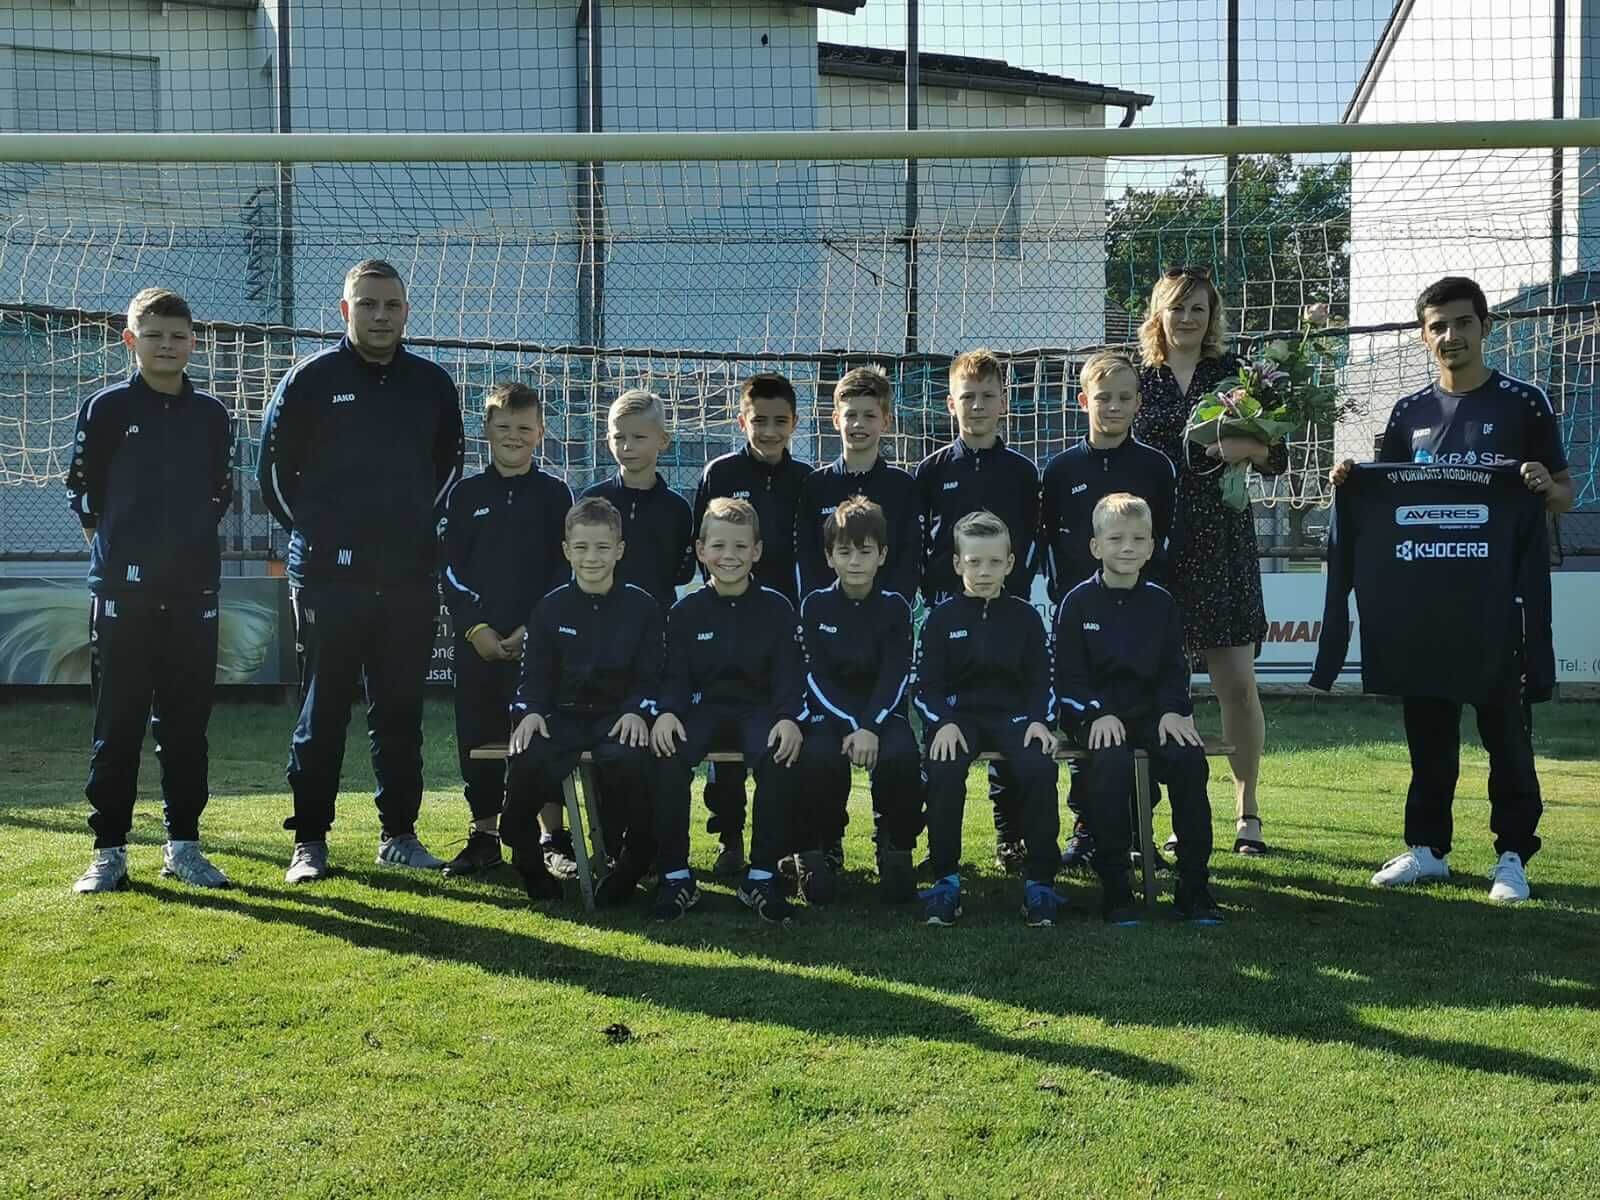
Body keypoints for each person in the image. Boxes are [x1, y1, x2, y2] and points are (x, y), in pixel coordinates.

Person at [1328, 275, 1572, 904]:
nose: (1450, 336)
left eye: (1462, 323)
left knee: (1506, 736)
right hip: (1425, 606)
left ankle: (1513, 856)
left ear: (1485, 328)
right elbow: (1385, 494)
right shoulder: (1408, 412)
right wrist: (1350, 478)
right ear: (1423, 336)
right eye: (1438, 326)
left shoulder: (1525, 403)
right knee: (1428, 735)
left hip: (1500, 606)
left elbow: (1564, 495)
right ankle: (1428, 850)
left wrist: (1545, 484)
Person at [258, 258, 465, 883]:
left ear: (406, 311)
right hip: (328, 578)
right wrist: (325, 539)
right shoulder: (309, 379)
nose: (380, 316)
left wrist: (401, 537)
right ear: (345, 311)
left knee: (400, 713)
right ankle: (310, 842)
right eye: (367, 304)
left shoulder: (431, 383)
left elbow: (447, 469)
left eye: (391, 305)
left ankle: (399, 833)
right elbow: (273, 474)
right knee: (323, 713)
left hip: (406, 578)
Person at [64, 287, 234, 893]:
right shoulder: (106, 408)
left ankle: (183, 847)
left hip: (193, 593)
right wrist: (122, 554)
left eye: (178, 336)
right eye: (155, 335)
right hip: (122, 596)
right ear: (131, 340)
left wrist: (178, 554)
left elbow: (220, 491)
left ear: (194, 342)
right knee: (118, 725)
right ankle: (108, 851)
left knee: (187, 727)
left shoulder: (211, 414)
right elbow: (84, 491)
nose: (168, 346)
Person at [1132, 266, 1284, 857]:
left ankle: (1248, 812)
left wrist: (1251, 446)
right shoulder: (1139, 379)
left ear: (1212, 314)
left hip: (1222, 542)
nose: (1188, 318)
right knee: (1169, 693)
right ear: (1159, 315)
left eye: (1198, 307)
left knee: (1238, 687)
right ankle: (1180, 815)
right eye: (1177, 308)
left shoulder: (1236, 375)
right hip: (1153, 548)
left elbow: (1277, 452)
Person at [1039, 351, 1178, 870]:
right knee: (1088, 724)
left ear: (1138, 403)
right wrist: (1063, 597)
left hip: (1139, 616)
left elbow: (1164, 538)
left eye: (1124, 397)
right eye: (1103, 397)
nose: (1114, 406)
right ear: (1084, 402)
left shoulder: (1155, 466)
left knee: (1139, 726)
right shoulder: (1060, 470)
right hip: (1080, 620)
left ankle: (1141, 831)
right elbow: (1048, 539)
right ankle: (1086, 831)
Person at [1054, 494, 1220, 925]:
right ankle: (1116, 888)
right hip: (1098, 718)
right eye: (1116, 538)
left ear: (1150, 547)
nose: (1127, 547)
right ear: (1096, 546)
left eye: (1137, 539)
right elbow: (1068, 679)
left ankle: (1193, 886)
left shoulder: (1161, 603)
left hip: (1151, 715)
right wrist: (1094, 713)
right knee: (1109, 765)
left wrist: (1171, 711)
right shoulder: (1076, 604)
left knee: (1188, 761)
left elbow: (1173, 668)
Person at [649, 498, 806, 924]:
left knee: (779, 755)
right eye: (718, 546)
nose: (729, 556)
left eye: (740, 547)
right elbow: (676, 677)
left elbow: (789, 675)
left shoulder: (776, 608)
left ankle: (760, 876)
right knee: (666, 752)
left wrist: (789, 718)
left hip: (758, 711)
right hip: (703, 711)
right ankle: (676, 876)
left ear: (756, 550)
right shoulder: (685, 612)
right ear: (701, 550)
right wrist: (666, 712)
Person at [915, 349, 1042, 877]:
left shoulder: (1022, 471)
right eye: (968, 397)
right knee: (948, 731)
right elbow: (920, 543)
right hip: (950, 614)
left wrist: (1015, 591)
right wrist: (938, 593)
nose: (978, 405)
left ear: (1004, 403)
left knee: (1008, 716)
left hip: (1007, 611)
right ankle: (931, 846)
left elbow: (1032, 540)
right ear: (951, 404)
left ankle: (1011, 837)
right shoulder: (931, 470)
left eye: (988, 396)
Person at [439, 382, 573, 878]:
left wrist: (534, 630)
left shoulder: (556, 494)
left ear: (540, 432)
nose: (513, 437)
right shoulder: (466, 495)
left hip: (540, 646)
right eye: (503, 428)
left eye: (523, 428)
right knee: (479, 735)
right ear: (486, 433)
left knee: (543, 736)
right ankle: (485, 835)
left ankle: (552, 836)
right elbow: (449, 569)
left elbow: (567, 570)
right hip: (479, 643)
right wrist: (476, 627)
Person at [503, 497, 664, 906]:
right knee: (526, 753)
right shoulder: (549, 608)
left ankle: (633, 861)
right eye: (582, 548)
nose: (592, 558)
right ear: (566, 550)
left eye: (602, 548)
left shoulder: (643, 608)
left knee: (632, 760)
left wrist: (636, 710)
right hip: (562, 717)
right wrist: (530, 712)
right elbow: (533, 677)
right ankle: (529, 863)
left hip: (615, 717)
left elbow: (652, 676)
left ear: (620, 551)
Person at [913, 511, 1062, 928]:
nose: (983, 571)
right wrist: (942, 722)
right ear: (958, 563)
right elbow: (925, 687)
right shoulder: (940, 618)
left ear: (1010, 564)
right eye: (974, 562)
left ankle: (1040, 884)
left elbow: (1043, 679)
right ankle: (945, 880)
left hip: (1015, 718)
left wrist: (1039, 721)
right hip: (958, 719)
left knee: (1037, 766)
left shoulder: (1026, 617)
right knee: (942, 767)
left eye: (994, 562)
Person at [689, 373, 812, 877]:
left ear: (794, 425)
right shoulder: (719, 472)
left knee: (778, 733)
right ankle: (730, 839)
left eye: (778, 421)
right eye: (758, 420)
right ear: (743, 420)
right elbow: (704, 545)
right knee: (725, 738)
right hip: (727, 619)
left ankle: (786, 841)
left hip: (782, 625)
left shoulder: (807, 478)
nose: (767, 430)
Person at [795, 496, 922, 905]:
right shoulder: (814, 606)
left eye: (865, 551)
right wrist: (853, 727)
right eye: (844, 551)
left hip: (882, 716)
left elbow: (896, 674)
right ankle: (821, 847)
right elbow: (814, 678)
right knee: (816, 756)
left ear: (882, 555)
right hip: (832, 716)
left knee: (902, 755)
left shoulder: (895, 608)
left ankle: (895, 845)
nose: (854, 561)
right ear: (829, 556)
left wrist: (870, 725)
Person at [794, 366, 922, 602]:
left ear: (886, 422)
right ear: (835, 420)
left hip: (885, 622)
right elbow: (807, 558)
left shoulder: (902, 486)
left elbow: (909, 557)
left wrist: (892, 608)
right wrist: (817, 610)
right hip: (828, 621)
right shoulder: (816, 485)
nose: (858, 424)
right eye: (850, 415)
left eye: (869, 416)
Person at [580, 388, 696, 611]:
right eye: (619, 437)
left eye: (639, 437)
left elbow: (682, 573)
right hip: (597, 618)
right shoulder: (592, 500)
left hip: (656, 620)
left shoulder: (677, 508)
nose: (627, 446)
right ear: (608, 440)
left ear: (663, 440)